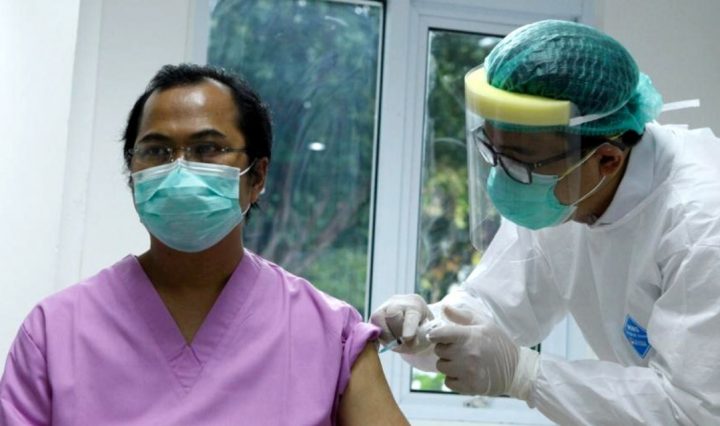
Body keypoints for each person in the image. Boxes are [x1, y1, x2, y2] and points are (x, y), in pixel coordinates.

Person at [0, 64, 408, 426]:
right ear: (133, 175)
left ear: (257, 176)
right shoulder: (54, 333)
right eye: (156, 151)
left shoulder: (332, 335)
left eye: (207, 149)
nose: (179, 169)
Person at [372, 19, 720, 424]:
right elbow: (493, 309)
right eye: (493, 151)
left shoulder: (702, 228)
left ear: (607, 159)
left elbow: (692, 412)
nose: (503, 177)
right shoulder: (566, 188)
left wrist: (524, 373)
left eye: (520, 162)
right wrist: (423, 326)